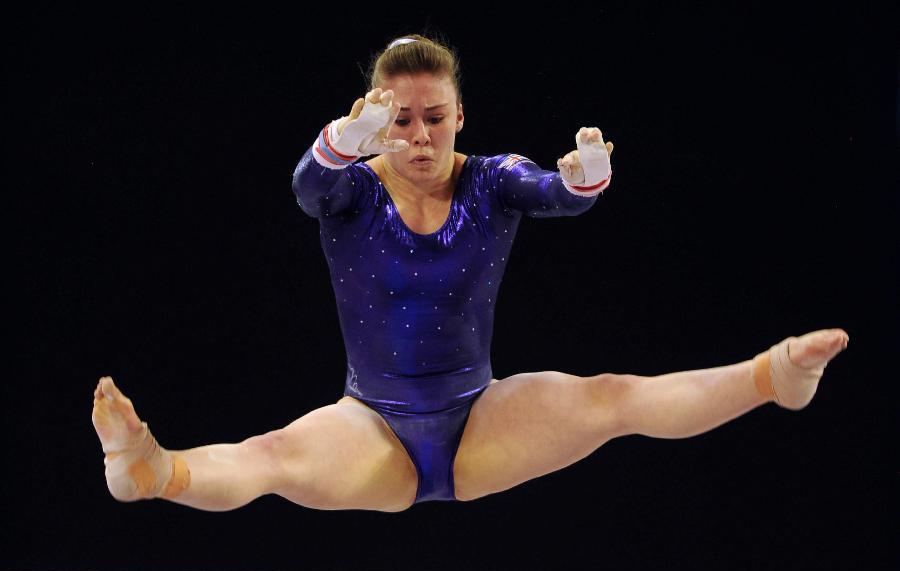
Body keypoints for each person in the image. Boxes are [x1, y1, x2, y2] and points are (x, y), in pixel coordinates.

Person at [91, 34, 849, 513]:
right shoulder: (350, 188)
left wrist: (587, 176)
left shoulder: (492, 179)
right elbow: (305, 190)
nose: (418, 135)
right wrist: (337, 143)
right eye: (400, 120)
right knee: (271, 456)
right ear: (375, 121)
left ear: (461, 116)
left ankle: (770, 377)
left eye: (435, 117)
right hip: (371, 429)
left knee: (611, 397)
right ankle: (152, 467)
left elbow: (558, 197)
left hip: (483, 422)